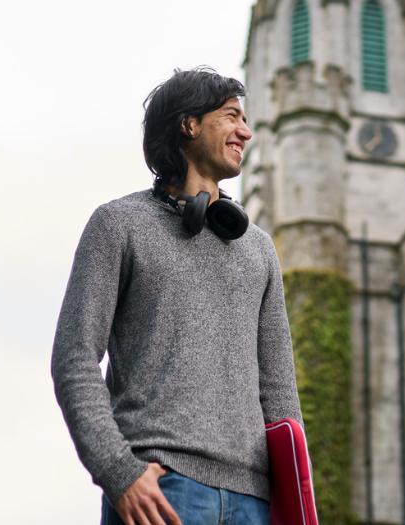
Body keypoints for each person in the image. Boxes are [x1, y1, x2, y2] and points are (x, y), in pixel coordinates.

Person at [51, 67, 302, 525]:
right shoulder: (118, 225)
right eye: (231, 116)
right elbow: (74, 359)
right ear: (189, 124)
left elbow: (280, 390)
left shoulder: (259, 249)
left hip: (256, 503)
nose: (246, 131)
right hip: (161, 490)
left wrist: (293, 500)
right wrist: (118, 471)